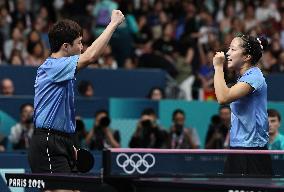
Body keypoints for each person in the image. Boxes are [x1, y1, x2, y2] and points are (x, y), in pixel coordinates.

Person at [28, 11, 124, 174]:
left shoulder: (62, 69)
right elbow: (91, 56)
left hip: (63, 140)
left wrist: (70, 142)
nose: (82, 47)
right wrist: (113, 23)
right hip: (48, 142)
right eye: (79, 43)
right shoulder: (53, 67)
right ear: (66, 46)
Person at [213, 34, 272, 176]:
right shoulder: (243, 78)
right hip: (238, 148)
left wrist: (218, 66)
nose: (227, 53)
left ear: (247, 57)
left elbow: (223, 97)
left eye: (233, 49)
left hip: (252, 151)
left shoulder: (254, 77)